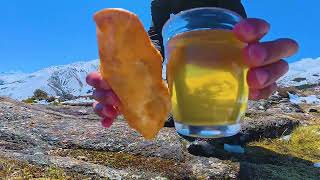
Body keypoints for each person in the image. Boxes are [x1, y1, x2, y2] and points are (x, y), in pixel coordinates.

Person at [86, 0, 299, 128]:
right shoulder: (160, 2)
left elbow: (239, 31)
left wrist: (255, 62)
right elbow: (158, 34)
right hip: (183, 75)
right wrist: (136, 65)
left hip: (219, 71)